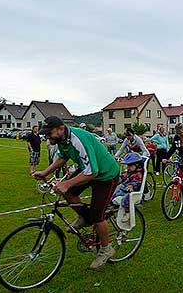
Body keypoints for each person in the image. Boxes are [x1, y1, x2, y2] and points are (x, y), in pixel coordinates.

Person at [33, 116, 120, 270]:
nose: (46, 136)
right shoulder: (62, 140)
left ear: (61, 128)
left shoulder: (77, 139)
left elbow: (92, 172)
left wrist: (66, 183)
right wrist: (45, 172)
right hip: (89, 170)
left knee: (97, 214)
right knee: (68, 193)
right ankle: (85, 218)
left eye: (49, 132)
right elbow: (62, 157)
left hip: (106, 174)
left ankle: (106, 249)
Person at [111, 153, 144, 222]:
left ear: (137, 164)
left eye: (130, 165)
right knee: (114, 195)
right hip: (125, 188)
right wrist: (116, 180)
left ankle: (128, 212)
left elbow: (138, 182)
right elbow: (123, 177)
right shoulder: (129, 172)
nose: (128, 167)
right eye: (127, 165)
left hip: (133, 191)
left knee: (126, 199)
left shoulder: (138, 174)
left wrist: (132, 185)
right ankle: (116, 209)